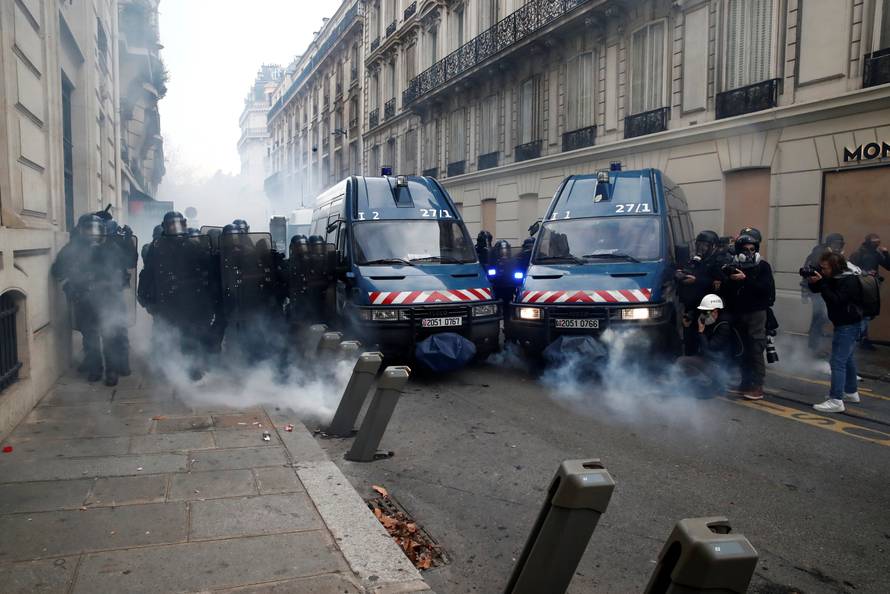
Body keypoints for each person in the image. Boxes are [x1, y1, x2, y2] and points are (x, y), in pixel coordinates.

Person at [52, 214, 133, 386]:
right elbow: (57, 270)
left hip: (109, 299)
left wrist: (127, 243)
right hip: (85, 300)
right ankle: (95, 367)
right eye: (89, 229)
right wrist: (72, 280)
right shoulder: (72, 249)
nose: (93, 233)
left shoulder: (111, 247)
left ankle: (111, 370)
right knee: (90, 336)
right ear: (81, 231)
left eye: (97, 229)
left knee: (110, 335)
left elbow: (127, 263)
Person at [719, 232, 775, 401]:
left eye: (752, 249)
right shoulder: (734, 265)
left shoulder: (763, 266)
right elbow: (726, 292)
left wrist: (745, 279)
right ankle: (745, 382)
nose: (749, 252)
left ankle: (757, 386)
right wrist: (728, 279)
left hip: (756, 313)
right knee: (741, 348)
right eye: (745, 249)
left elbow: (767, 291)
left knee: (756, 348)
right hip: (738, 313)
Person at [807, 252, 863, 412]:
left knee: (837, 362)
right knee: (847, 358)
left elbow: (836, 300)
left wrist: (823, 284)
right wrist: (813, 281)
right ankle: (851, 392)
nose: (822, 271)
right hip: (843, 323)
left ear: (835, 267)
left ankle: (836, 400)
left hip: (848, 325)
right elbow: (818, 289)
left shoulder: (849, 280)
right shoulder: (836, 276)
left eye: (825, 268)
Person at [677, 294, 740, 397]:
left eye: (706, 312)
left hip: (719, 366)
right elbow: (691, 347)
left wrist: (701, 332)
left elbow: (709, 350)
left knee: (683, 362)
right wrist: (687, 328)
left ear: (715, 311)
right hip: (708, 361)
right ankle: (701, 385)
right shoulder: (709, 323)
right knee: (682, 361)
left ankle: (712, 384)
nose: (703, 315)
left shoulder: (723, 326)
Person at [801, 233, 845, 352]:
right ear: (829, 243)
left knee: (821, 319)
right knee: (819, 319)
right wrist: (804, 291)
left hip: (823, 289)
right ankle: (814, 347)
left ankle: (815, 345)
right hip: (819, 291)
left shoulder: (828, 254)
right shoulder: (820, 254)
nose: (838, 246)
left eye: (840, 244)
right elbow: (808, 273)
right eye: (836, 243)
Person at [849, 233, 889, 350]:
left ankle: (862, 338)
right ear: (868, 241)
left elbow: (888, 266)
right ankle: (859, 338)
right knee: (864, 314)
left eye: (878, 241)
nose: (877, 243)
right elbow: (851, 269)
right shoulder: (858, 253)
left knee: (868, 313)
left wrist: (886, 253)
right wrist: (864, 274)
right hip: (862, 286)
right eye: (874, 241)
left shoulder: (876, 253)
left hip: (872, 286)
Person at [677, 230, 724, 312]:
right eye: (698, 245)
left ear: (714, 247)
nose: (700, 248)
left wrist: (696, 280)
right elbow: (688, 270)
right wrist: (680, 273)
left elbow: (717, 283)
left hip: (710, 306)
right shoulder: (697, 260)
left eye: (705, 245)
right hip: (693, 304)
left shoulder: (719, 262)